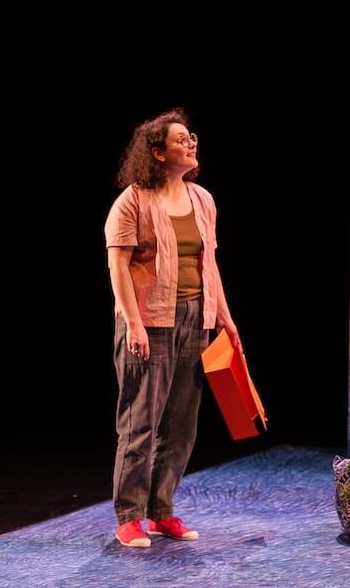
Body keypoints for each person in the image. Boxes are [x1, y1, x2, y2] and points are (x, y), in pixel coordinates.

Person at [104, 108, 243, 547]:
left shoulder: (202, 199)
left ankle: (161, 511)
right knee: (141, 421)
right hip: (150, 321)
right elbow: (118, 266)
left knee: (181, 425)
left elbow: (209, 263)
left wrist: (224, 316)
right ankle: (129, 516)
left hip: (195, 319)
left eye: (192, 137)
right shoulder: (133, 201)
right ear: (158, 152)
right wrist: (134, 324)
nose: (191, 143)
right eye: (181, 139)